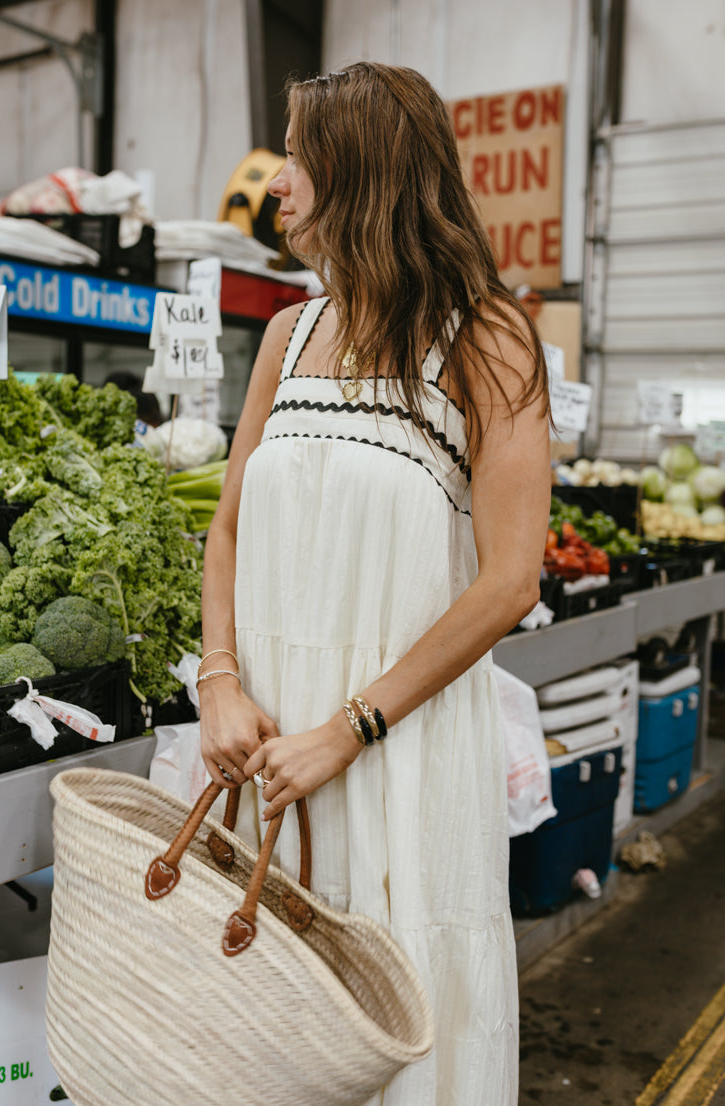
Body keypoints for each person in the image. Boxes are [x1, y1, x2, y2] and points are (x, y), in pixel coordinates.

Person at [198, 61, 551, 1105]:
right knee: (266, 1015)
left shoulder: (484, 337)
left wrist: (348, 727)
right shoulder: (285, 335)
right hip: (260, 746)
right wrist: (219, 676)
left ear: (362, 169)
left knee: (395, 1011)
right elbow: (225, 527)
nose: (280, 182)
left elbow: (505, 580)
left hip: (390, 744)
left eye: (300, 154)